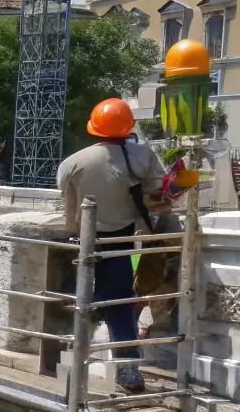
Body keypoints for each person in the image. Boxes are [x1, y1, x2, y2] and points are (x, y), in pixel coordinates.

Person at [56, 97, 162, 393]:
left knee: (82, 302)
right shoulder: (142, 156)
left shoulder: (73, 161)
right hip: (120, 240)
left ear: (94, 127)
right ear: (128, 127)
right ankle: (128, 371)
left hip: (82, 242)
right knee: (119, 304)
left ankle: (67, 365)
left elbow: (64, 193)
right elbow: (159, 194)